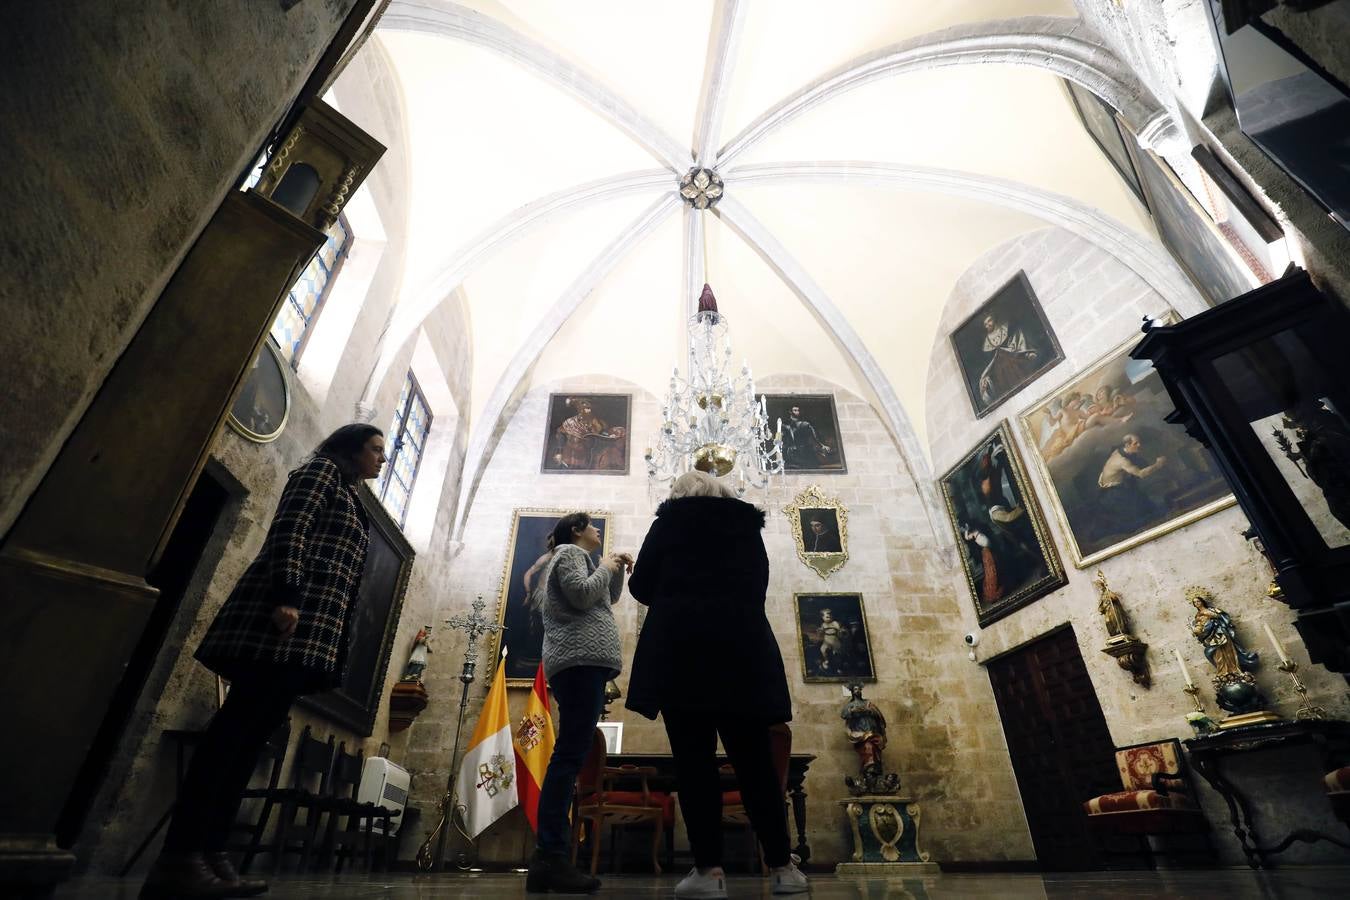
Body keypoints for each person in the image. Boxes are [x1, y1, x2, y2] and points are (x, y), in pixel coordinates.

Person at [140, 424, 385, 899]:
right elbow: (291, 530)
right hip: (280, 628)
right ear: (351, 448)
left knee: (248, 742)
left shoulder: (350, 493)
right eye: (375, 449)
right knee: (231, 737)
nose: (381, 457)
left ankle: (211, 853)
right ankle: (181, 856)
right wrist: (287, 594)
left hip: (303, 638)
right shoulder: (319, 473)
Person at [626, 470, 809, 899]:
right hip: (741, 653)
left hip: (681, 654)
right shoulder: (747, 528)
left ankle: (708, 873)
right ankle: (783, 867)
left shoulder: (667, 524)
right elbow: (759, 585)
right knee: (755, 763)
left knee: (694, 764)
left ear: (678, 496)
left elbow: (640, 586)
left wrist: (677, 591)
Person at [525, 513, 633, 894]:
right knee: (569, 757)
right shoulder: (570, 551)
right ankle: (551, 856)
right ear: (575, 530)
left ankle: (547, 861)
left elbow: (607, 597)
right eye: (592, 525)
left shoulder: (579, 558)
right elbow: (583, 595)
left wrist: (614, 568)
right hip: (579, 661)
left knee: (570, 755)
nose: (597, 530)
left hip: (582, 662)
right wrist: (605, 564)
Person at [976, 312, 1041, 404]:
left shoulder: (1007, 328)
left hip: (1016, 363)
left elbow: (1018, 342)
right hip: (1000, 373)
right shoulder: (986, 344)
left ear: (994, 319)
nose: (988, 325)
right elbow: (989, 366)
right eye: (985, 324)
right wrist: (985, 378)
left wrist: (1027, 353)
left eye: (989, 321)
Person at [550, 398, 627, 470]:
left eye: (589, 409)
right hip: (567, 458)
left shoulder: (599, 424)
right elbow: (560, 434)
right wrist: (559, 452)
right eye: (585, 408)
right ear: (580, 409)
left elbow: (603, 434)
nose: (588, 411)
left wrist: (611, 435)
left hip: (584, 459)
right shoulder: (571, 422)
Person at [780, 404, 832, 470]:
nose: (797, 412)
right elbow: (779, 438)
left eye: (798, 410)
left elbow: (814, 438)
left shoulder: (806, 424)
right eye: (795, 410)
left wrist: (822, 446)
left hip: (804, 451)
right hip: (791, 453)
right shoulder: (784, 425)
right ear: (790, 411)